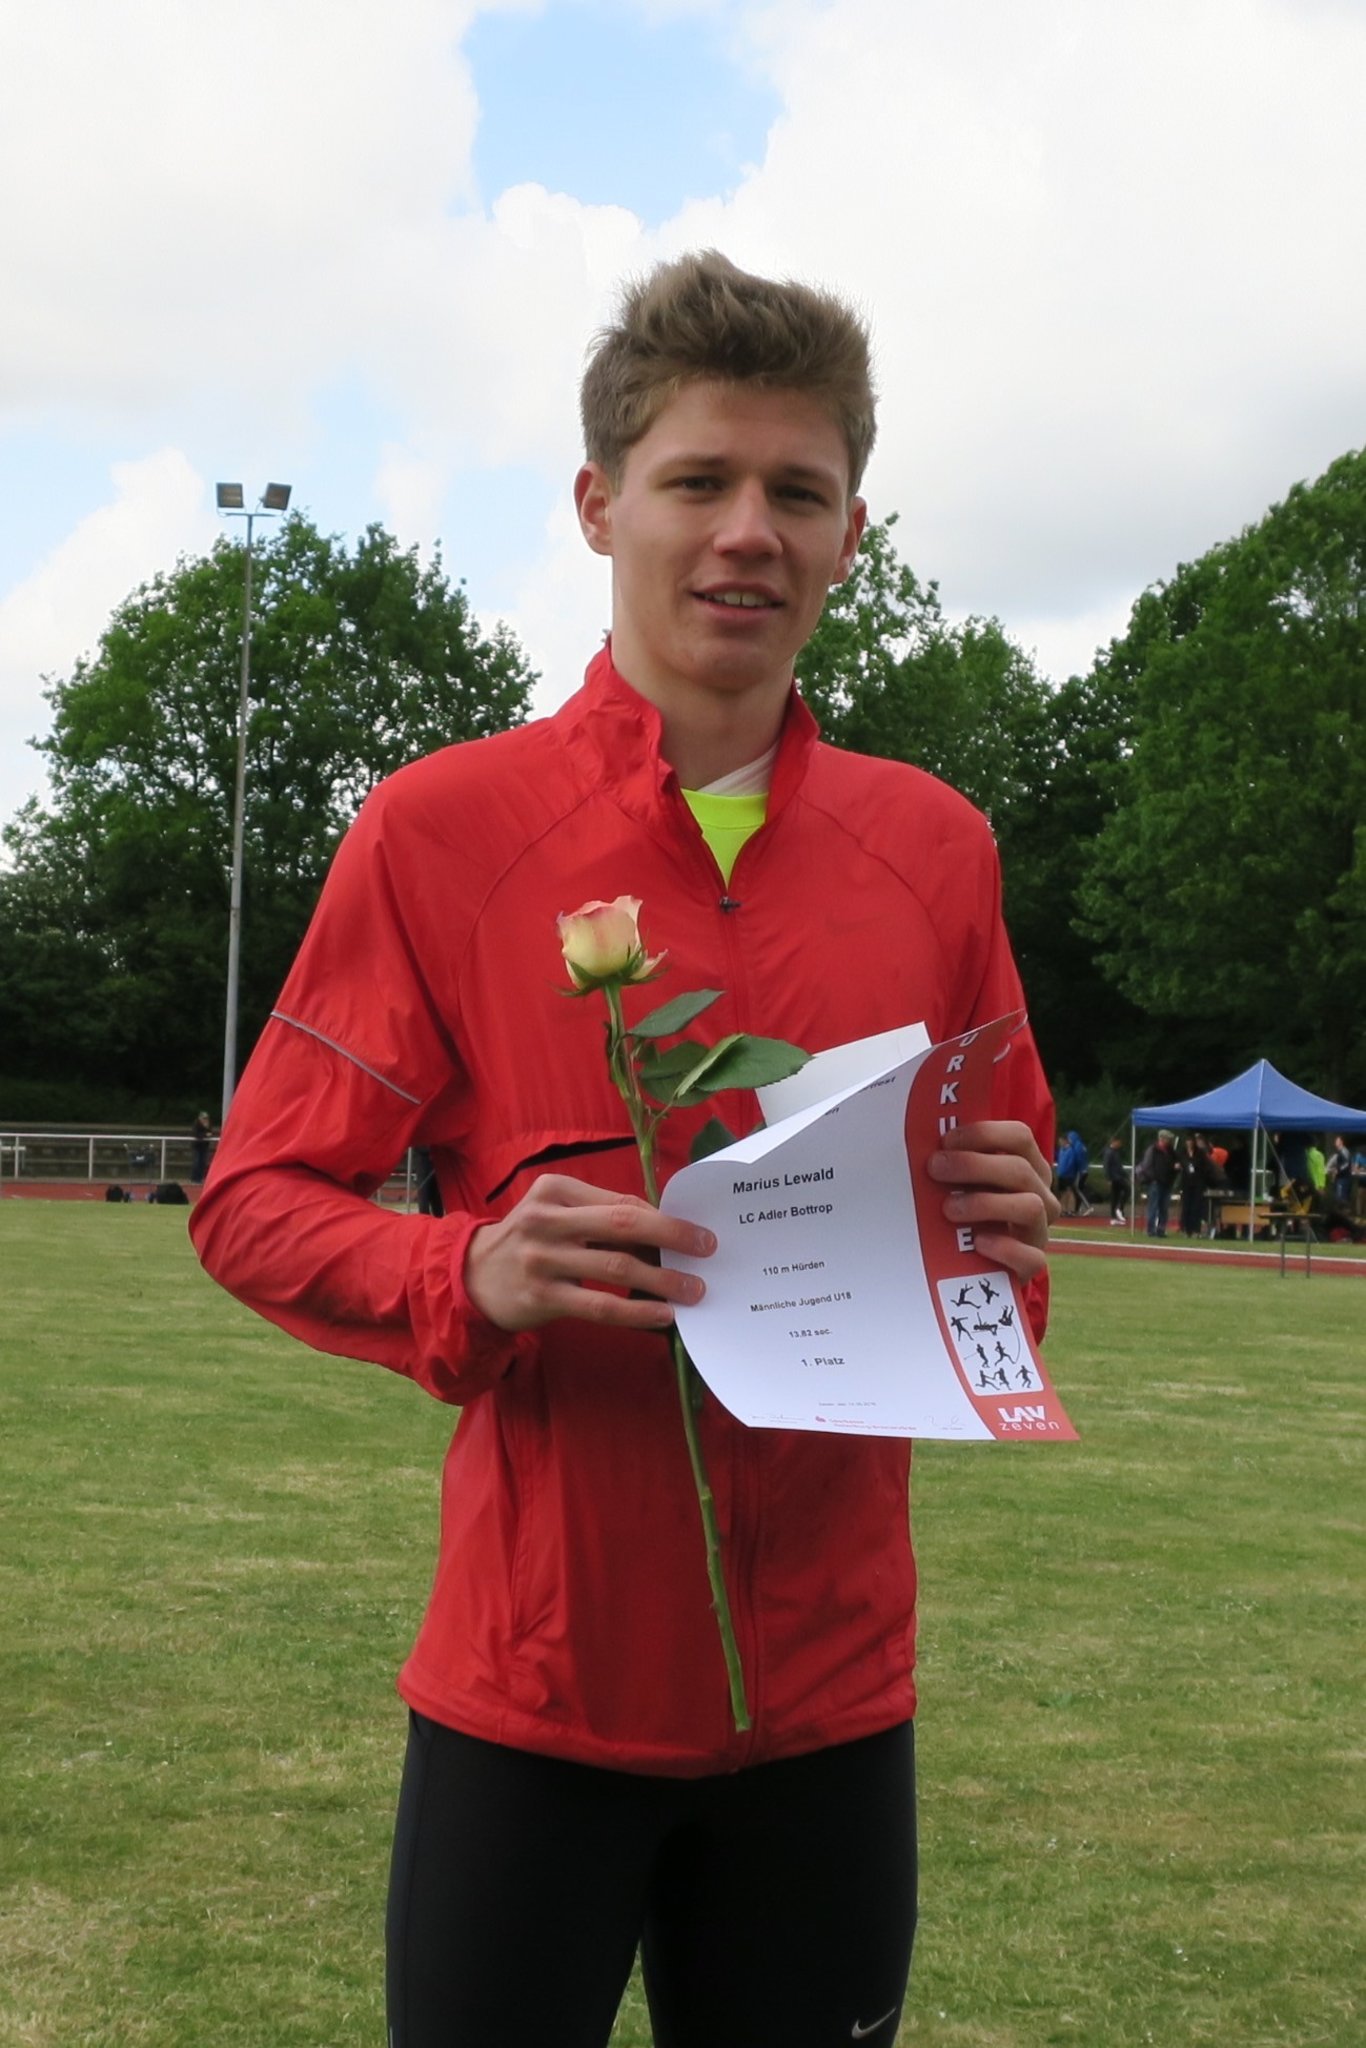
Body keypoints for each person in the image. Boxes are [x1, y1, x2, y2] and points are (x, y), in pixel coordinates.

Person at [189, 250, 1057, 2048]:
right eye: (699, 481)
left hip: (830, 1706)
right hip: (536, 1701)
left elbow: (996, 1261)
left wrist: (1003, 1247)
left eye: (795, 492)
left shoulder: (937, 849)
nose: (748, 530)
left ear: (849, 533)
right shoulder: (440, 832)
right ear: (601, 506)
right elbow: (255, 1200)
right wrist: (466, 1266)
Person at [1138, 1128, 1177, 1237]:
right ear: (1162, 1138)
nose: (1169, 1141)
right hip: (1155, 1183)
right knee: (1153, 1207)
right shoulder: (1152, 1150)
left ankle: (1161, 1229)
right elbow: (1146, 1166)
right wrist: (1153, 1178)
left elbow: (1175, 1164)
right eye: (1168, 1139)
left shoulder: (1171, 1151)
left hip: (1167, 1183)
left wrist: (1175, 1168)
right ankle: (1150, 1230)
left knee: (1164, 1208)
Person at [1101, 1135, 1128, 1225]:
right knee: (1124, 1191)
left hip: (1118, 1176)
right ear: (1114, 1142)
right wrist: (1108, 1178)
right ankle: (1117, 1210)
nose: (1120, 1144)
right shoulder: (1109, 1152)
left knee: (1116, 1196)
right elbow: (1106, 1166)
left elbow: (1119, 1166)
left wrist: (1126, 1175)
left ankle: (1115, 1215)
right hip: (1114, 1178)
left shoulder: (1115, 1152)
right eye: (1119, 1142)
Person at [189, 1112, 212, 1184]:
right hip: (197, 1146)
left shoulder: (208, 1125)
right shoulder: (196, 1124)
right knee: (197, 1161)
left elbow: (210, 1133)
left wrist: (208, 1133)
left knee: (203, 1162)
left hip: (204, 1146)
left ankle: (200, 1178)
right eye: (204, 1118)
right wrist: (205, 1134)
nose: (205, 1120)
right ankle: (194, 1178)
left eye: (206, 1118)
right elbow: (195, 1134)